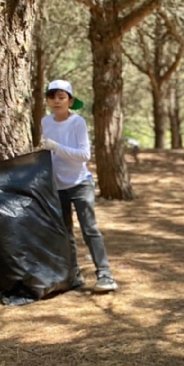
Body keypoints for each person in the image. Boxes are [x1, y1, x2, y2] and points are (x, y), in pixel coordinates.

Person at [38, 79, 118, 293]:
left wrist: (55, 146)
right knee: (65, 232)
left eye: (62, 97)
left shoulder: (77, 123)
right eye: (52, 97)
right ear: (47, 100)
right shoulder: (46, 122)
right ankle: (73, 276)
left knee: (90, 229)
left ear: (70, 101)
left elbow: (84, 155)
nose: (57, 101)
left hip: (80, 183)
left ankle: (105, 275)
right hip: (57, 186)